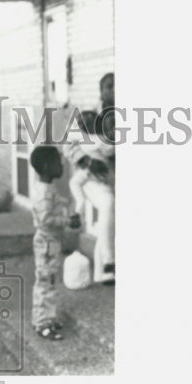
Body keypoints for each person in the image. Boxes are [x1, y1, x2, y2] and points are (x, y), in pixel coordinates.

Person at [28, 145, 80, 341]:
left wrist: (67, 204)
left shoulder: (48, 188)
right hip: (46, 243)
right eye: (58, 163)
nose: (62, 166)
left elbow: (57, 201)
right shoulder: (43, 193)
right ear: (46, 167)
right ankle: (42, 323)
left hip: (52, 242)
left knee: (50, 281)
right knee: (45, 283)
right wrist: (68, 221)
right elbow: (45, 219)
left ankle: (48, 317)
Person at [65, 108, 115, 285]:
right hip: (93, 176)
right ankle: (109, 262)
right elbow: (68, 144)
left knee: (108, 219)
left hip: (92, 176)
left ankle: (103, 272)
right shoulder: (98, 137)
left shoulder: (88, 136)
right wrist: (87, 160)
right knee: (108, 206)